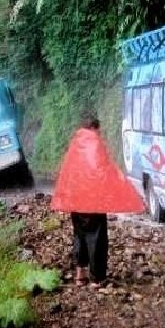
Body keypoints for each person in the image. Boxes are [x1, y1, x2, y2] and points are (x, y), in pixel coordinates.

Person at [51, 112, 145, 287]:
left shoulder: (75, 143)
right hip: (93, 202)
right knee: (97, 238)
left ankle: (80, 275)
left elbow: (68, 171)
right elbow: (103, 170)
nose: (99, 134)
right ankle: (97, 278)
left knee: (79, 236)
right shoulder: (95, 142)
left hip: (76, 202)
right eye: (98, 130)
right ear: (94, 127)